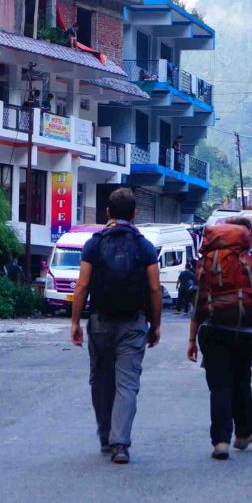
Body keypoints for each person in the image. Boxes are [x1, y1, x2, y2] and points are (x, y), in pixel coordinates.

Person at [71, 187, 162, 464]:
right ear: (134, 214)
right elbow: (155, 289)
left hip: (100, 321)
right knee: (127, 383)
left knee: (100, 380)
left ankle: (104, 435)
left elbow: (83, 284)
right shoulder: (144, 246)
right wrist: (155, 325)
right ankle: (120, 443)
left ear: (107, 212)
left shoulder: (93, 244)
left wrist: (75, 322)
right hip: (134, 323)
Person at [188, 217, 252, 460]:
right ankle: (244, 430)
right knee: (241, 381)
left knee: (219, 386)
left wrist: (190, 339)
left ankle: (221, 442)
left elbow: (198, 302)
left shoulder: (208, 260)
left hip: (212, 329)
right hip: (245, 332)